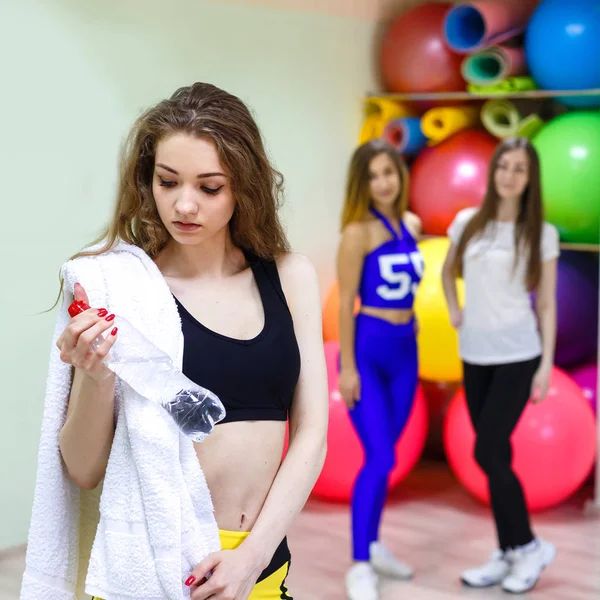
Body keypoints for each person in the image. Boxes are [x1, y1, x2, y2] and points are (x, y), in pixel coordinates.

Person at [27, 82, 328, 600]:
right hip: (158, 566)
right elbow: (82, 469)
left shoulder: (290, 277)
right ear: (148, 182)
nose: (184, 205)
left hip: (258, 564)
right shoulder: (121, 290)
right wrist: (97, 377)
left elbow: (312, 434)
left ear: (244, 187)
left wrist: (251, 559)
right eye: (168, 182)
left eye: (210, 188)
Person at [441, 136, 559, 594]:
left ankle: (529, 547)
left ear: (530, 180)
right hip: (475, 355)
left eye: (519, 169)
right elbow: (447, 270)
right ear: (494, 172)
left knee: (486, 452)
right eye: (503, 166)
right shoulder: (469, 222)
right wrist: (454, 309)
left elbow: (546, 304)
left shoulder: (540, 233)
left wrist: (545, 365)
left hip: (518, 355)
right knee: (498, 456)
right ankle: (510, 550)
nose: (509, 175)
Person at [336, 139, 423, 600]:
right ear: (361, 183)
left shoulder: (410, 224)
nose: (383, 182)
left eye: (389, 172)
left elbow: (407, 288)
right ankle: (360, 563)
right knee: (381, 458)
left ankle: (372, 542)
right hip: (367, 354)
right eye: (373, 175)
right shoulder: (357, 233)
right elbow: (346, 307)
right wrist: (348, 368)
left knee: (387, 458)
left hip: (406, 354)